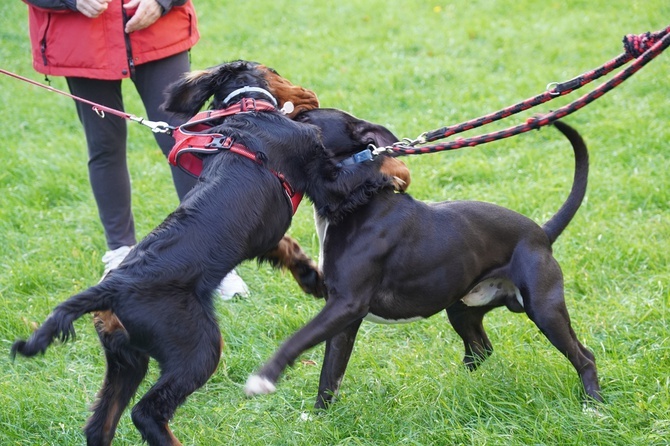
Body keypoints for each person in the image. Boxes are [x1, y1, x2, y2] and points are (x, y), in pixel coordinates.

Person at [22, 0, 249, 299]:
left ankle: (212, 257)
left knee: (184, 140)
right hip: (82, 37)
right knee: (104, 144)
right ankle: (120, 253)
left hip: (157, 29)